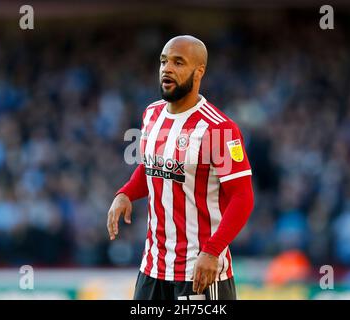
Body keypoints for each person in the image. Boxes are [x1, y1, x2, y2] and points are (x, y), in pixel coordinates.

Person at [107, 35, 254, 300]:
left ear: (199, 71)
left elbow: (243, 197)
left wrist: (212, 251)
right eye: (163, 61)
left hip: (199, 274)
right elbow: (151, 165)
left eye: (178, 62)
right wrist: (126, 193)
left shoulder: (219, 129)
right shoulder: (152, 114)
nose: (167, 68)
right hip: (152, 270)